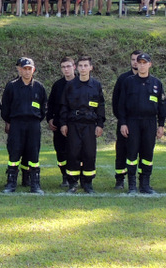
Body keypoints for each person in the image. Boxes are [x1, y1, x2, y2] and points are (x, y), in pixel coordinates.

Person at [117, 52, 166, 194]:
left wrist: (161, 125)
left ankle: (145, 184)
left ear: (150, 64)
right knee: (132, 153)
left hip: (150, 122)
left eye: (145, 63)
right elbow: (121, 105)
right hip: (133, 121)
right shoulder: (128, 82)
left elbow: (162, 105)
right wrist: (123, 123)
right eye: (140, 63)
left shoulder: (156, 83)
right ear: (136, 64)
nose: (142, 65)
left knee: (147, 154)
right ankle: (132, 185)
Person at [59, 55, 106, 194]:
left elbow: (100, 106)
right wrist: (63, 123)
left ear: (91, 67)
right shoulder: (70, 85)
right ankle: (73, 183)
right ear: (77, 68)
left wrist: (100, 124)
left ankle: (87, 183)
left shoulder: (96, 85)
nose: (83, 68)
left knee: (89, 154)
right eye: (80, 66)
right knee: (73, 153)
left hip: (90, 125)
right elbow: (64, 106)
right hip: (74, 124)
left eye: (86, 65)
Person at [0, 57, 47, 194]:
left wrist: (35, 119)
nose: (27, 71)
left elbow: (44, 108)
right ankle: (11, 183)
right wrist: (10, 121)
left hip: (33, 124)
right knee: (14, 153)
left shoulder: (39, 87)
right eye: (24, 69)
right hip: (17, 124)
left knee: (34, 153)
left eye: (29, 69)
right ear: (20, 70)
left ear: (34, 69)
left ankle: (35, 184)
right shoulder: (12, 86)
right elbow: (5, 108)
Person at [111, 51, 140, 189]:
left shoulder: (149, 80)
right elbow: (116, 101)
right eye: (133, 59)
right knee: (122, 151)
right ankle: (120, 179)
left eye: (138, 60)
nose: (135, 62)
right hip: (125, 122)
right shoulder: (123, 78)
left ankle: (141, 180)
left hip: (141, 123)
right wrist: (122, 120)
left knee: (140, 151)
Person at [47, 57, 76, 187]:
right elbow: (50, 104)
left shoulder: (80, 83)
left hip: (76, 123)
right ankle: (65, 175)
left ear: (74, 67)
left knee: (76, 151)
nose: (66, 69)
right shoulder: (57, 85)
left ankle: (77, 176)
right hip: (59, 123)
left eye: (68, 66)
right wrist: (50, 118)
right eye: (63, 67)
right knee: (61, 151)